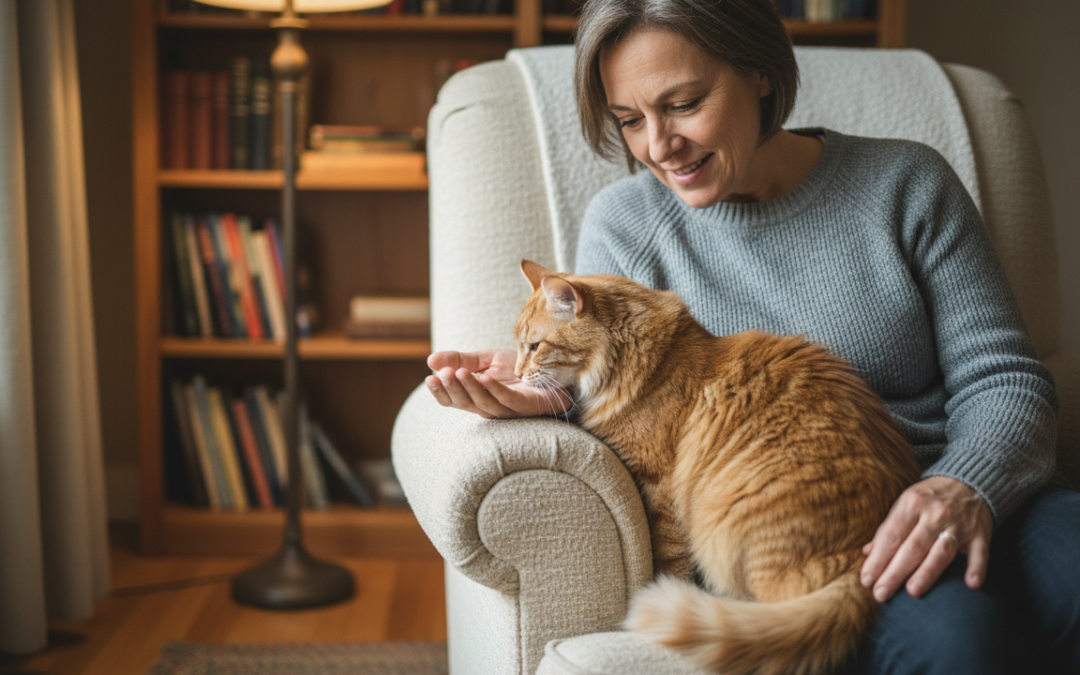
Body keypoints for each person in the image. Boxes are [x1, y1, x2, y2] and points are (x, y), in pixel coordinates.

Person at [425, 0, 1080, 672]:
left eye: (683, 104)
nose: (657, 144)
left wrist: (964, 486)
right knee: (960, 641)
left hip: (972, 484)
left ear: (760, 72)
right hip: (812, 533)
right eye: (629, 120)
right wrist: (560, 398)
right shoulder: (622, 225)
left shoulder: (907, 183)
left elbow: (1006, 378)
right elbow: (636, 412)